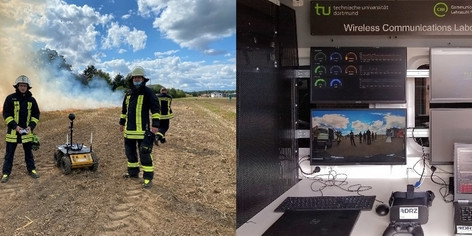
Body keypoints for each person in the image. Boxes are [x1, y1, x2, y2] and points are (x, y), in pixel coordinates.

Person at [119, 66, 161, 188]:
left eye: (139, 77)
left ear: (143, 79)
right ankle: (133, 173)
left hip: (144, 131)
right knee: (130, 153)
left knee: (145, 154)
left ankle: (148, 178)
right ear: (132, 79)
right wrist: (121, 123)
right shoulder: (128, 94)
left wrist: (155, 125)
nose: (137, 79)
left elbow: (155, 109)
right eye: (135, 77)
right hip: (129, 131)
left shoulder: (148, 92)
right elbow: (124, 110)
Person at [1, 75, 40, 183]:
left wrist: (30, 127)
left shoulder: (32, 100)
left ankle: (32, 170)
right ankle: (5, 173)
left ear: (28, 87)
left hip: (27, 132)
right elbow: (6, 114)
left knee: (29, 153)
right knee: (9, 155)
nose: (23, 87)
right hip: (13, 132)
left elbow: (36, 114)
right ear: (17, 86)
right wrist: (15, 126)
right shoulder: (10, 98)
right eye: (21, 85)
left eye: (25, 85)